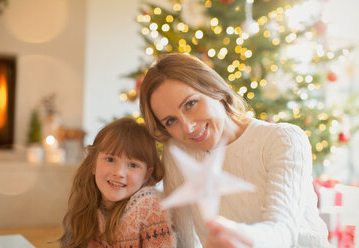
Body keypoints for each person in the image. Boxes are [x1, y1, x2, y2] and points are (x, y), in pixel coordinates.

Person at [139, 53, 332, 248]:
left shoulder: (282, 139)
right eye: (171, 121)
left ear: (213, 88)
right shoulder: (179, 152)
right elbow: (182, 241)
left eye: (190, 104)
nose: (188, 127)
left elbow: (282, 232)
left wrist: (238, 235)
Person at [59, 117, 176, 248]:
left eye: (133, 165)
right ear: (93, 164)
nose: (119, 173)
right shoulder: (89, 203)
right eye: (110, 159)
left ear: (146, 176)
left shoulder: (149, 207)